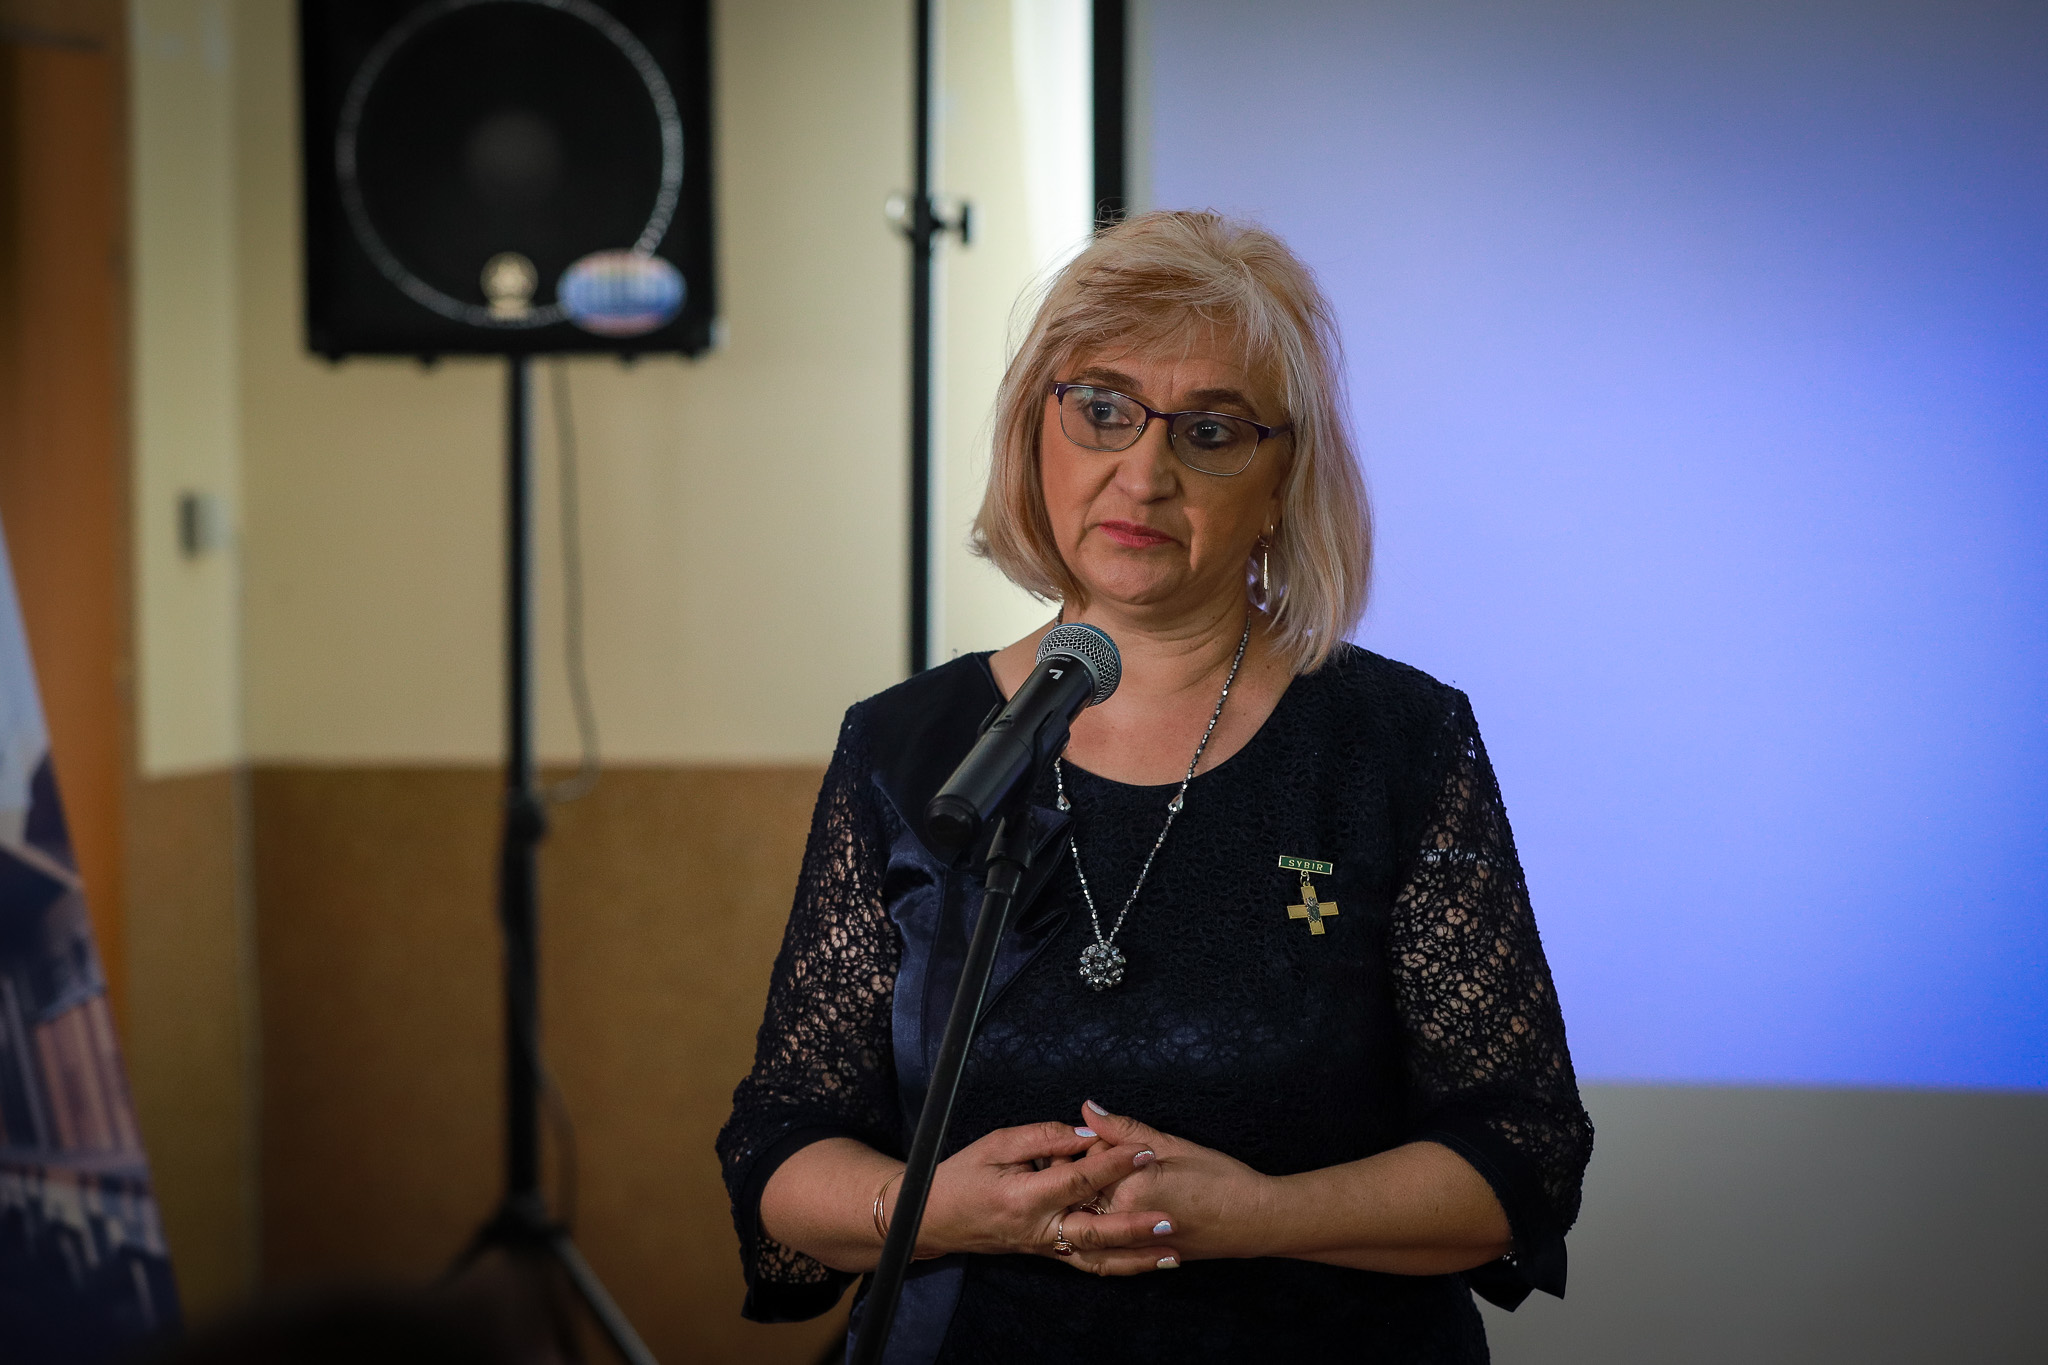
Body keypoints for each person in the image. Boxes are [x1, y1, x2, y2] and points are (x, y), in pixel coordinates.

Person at [717, 211, 1593, 1362]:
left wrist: (1260, 1217)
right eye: (1101, 410)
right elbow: (782, 1139)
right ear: (1036, 434)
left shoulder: (1397, 741)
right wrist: (931, 1211)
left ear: (1281, 481)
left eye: (1210, 431)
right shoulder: (906, 746)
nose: (1143, 472)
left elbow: (1521, 1149)